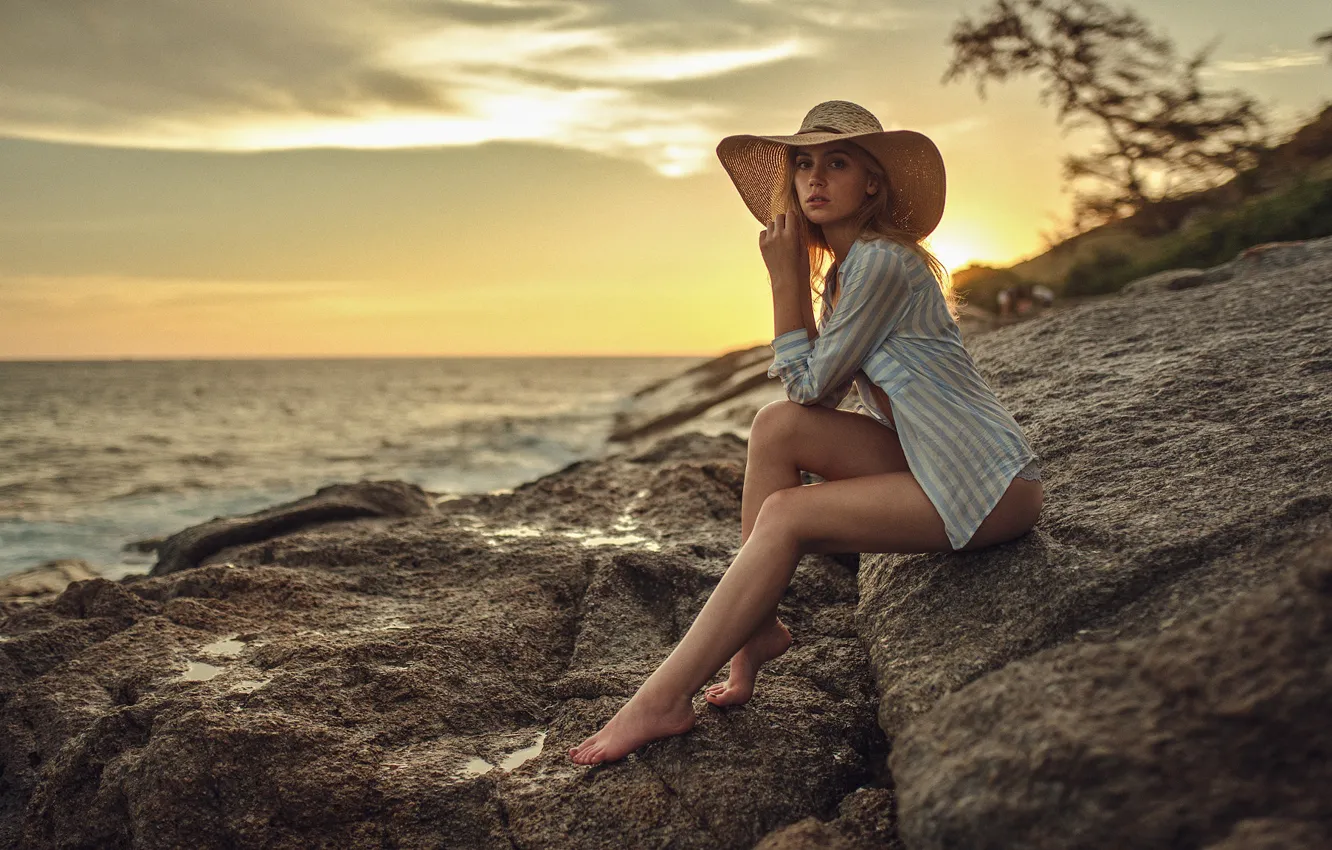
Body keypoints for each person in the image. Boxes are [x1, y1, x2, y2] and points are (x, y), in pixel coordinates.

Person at [568, 100, 1044, 766]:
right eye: (803, 164)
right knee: (776, 428)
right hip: (929, 457)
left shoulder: (881, 264)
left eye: (837, 163)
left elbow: (812, 384)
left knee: (788, 513)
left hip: (983, 483)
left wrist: (785, 279)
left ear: (872, 183)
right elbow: (804, 405)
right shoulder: (850, 273)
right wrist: (804, 284)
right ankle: (754, 629)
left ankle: (661, 699)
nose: (814, 179)